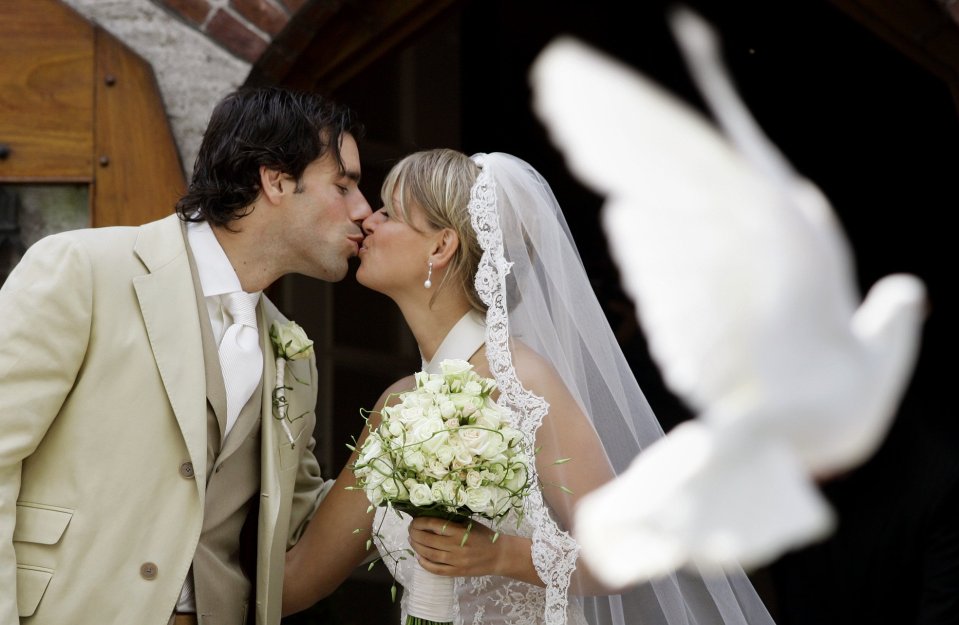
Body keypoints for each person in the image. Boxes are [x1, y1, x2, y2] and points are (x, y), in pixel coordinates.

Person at [283, 148, 777, 624]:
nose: (368, 218)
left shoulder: (520, 381)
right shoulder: (397, 405)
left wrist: (500, 555)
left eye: (390, 212)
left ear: (441, 244)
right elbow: (301, 579)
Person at [0, 86, 372, 625]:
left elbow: (297, 528)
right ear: (276, 180)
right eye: (344, 185)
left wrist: (408, 451)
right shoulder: (82, 269)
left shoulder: (293, 352)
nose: (364, 211)